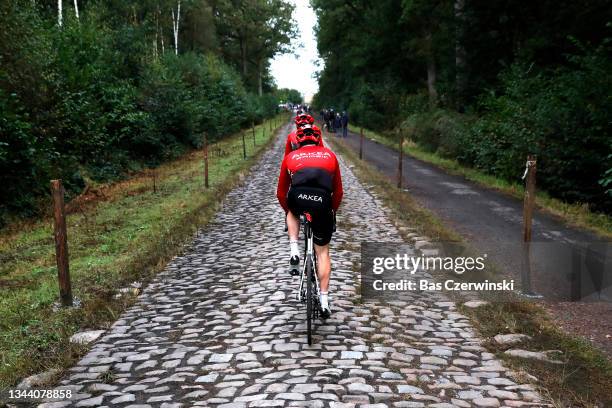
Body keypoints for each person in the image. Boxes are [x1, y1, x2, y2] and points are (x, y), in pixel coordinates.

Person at [277, 126, 343, 318]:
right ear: (318, 140)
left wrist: (289, 211)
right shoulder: (330, 155)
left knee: (292, 210)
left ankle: (294, 249)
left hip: (297, 198)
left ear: (298, 141)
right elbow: (338, 192)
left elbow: (281, 192)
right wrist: (331, 212)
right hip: (322, 202)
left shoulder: (291, 157)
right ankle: (324, 302)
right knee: (322, 253)